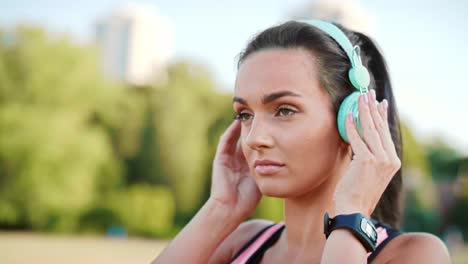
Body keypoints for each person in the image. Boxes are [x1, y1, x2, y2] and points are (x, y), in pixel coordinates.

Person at [152, 20, 450, 263]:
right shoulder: (240, 243)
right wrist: (221, 208)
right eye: (244, 114)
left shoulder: (415, 255)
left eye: (284, 110)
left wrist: (352, 213)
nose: (254, 138)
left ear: (354, 119)